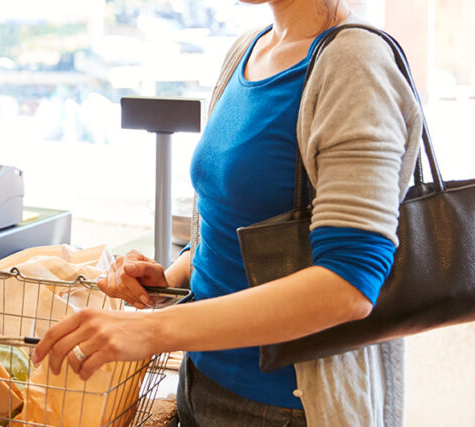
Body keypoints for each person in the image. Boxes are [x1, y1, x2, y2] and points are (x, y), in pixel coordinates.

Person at [34, 1, 422, 425]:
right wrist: (173, 277)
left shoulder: (355, 63)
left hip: (285, 407)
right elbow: (235, 230)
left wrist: (151, 332)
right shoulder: (247, 50)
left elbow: (349, 286)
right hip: (201, 382)